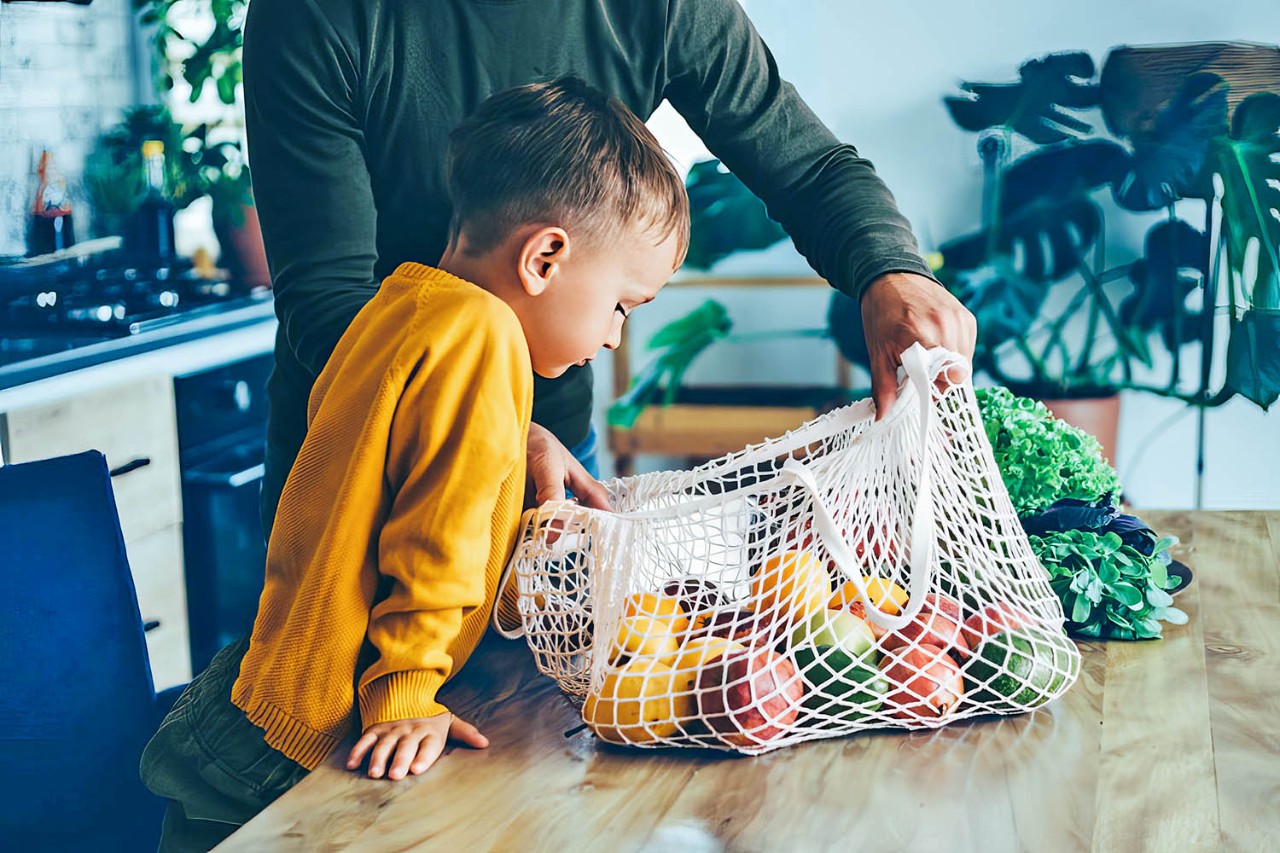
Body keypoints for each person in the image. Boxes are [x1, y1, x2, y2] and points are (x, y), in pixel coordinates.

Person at [139, 78, 690, 852]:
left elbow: (397, 490)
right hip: (308, 741)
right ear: (545, 256)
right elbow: (437, 537)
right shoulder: (487, 341)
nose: (611, 337)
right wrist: (403, 692)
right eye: (623, 306)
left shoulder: (401, 303)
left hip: (259, 696)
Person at [242, 0, 977, 541]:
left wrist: (894, 272)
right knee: (338, 725)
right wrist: (492, 427)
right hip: (357, 462)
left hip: (552, 457)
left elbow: (810, 168)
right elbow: (329, 302)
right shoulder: (314, 15)